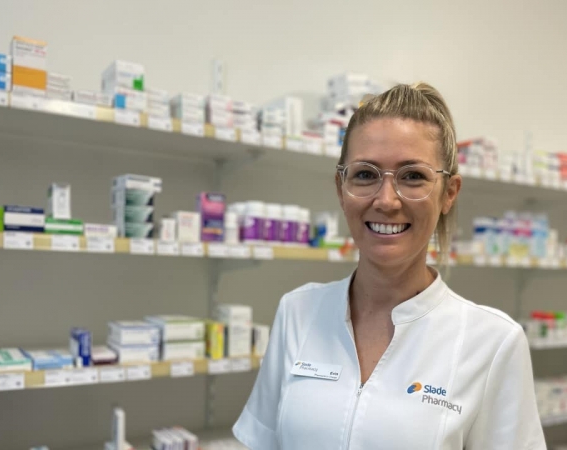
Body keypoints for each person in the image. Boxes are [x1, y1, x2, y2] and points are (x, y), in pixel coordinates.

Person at [233, 82, 546, 449]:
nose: (386, 201)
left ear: (449, 193)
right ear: (341, 188)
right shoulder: (297, 312)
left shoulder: (493, 343)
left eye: (412, 176)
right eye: (365, 174)